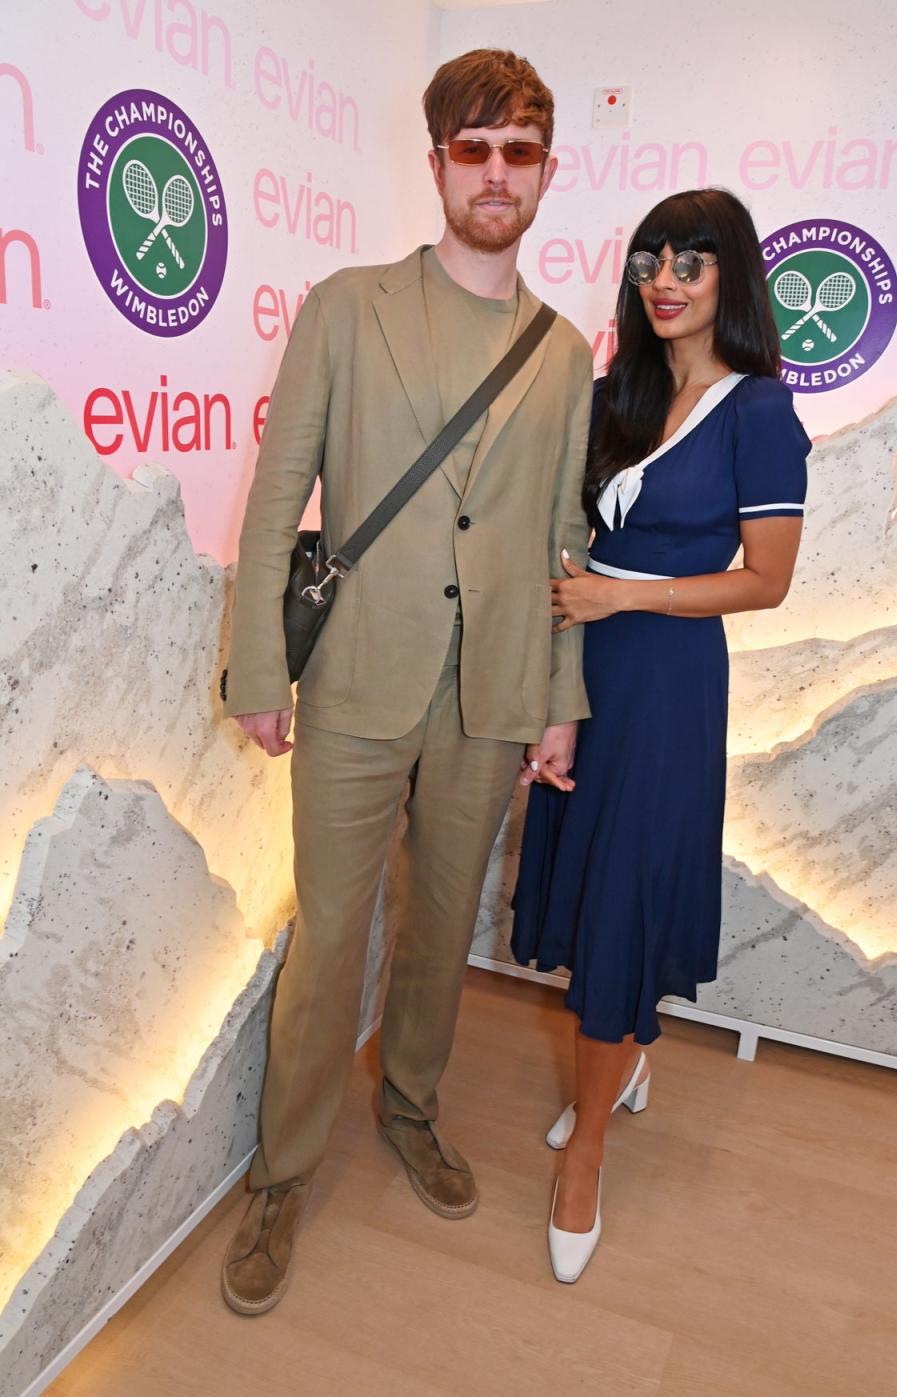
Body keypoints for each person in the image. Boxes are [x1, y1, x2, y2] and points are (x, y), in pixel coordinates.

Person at [218, 48, 593, 1314]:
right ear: (436, 164)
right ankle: (282, 1169)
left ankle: (414, 1106)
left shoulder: (560, 349)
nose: (497, 173)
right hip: (359, 680)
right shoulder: (348, 302)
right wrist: (260, 665)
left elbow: (562, 541)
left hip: (488, 692)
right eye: (473, 149)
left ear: (547, 170)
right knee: (332, 934)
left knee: (443, 923)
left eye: (519, 151)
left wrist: (560, 693)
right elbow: (282, 497)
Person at [512, 188, 810, 1284]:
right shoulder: (615, 394)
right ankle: (626, 1061)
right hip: (583, 664)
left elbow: (765, 582)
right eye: (650, 259)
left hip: (670, 673)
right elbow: (561, 534)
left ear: (731, 275)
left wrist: (619, 601)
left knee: (628, 889)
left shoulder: (761, 410)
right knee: (592, 878)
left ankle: (587, 1143)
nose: (666, 278)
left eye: (692, 259)